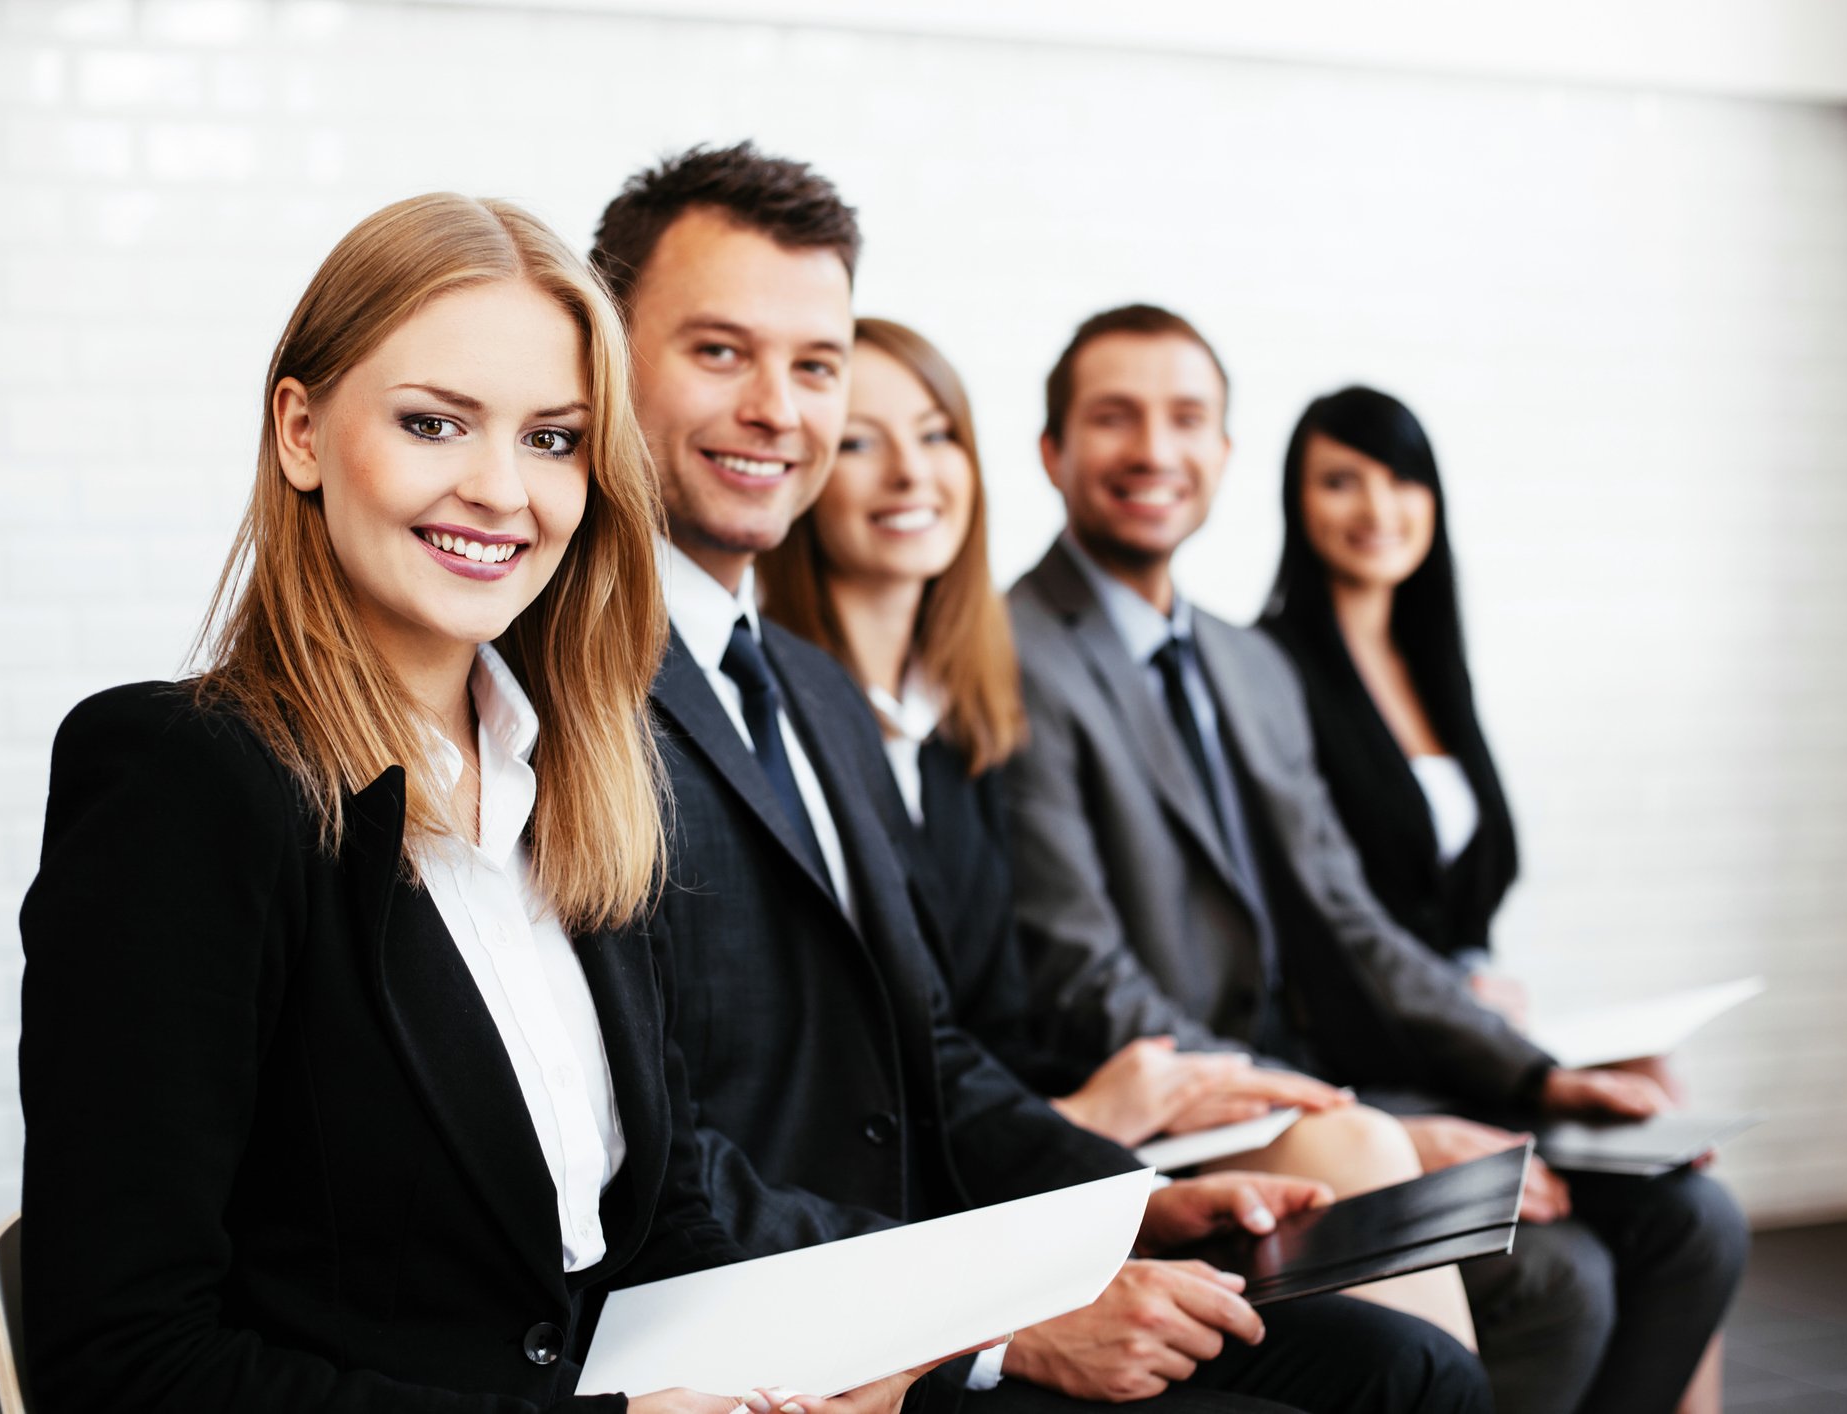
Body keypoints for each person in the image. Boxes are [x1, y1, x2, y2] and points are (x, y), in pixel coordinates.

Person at [593, 143, 1490, 1414]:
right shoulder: (575, 694)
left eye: (816, 365)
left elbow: (937, 1053)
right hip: (791, 1316)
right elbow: (660, 1163)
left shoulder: (814, 692)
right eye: (720, 352)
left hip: (944, 1255)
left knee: (1413, 1369)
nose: (780, 410)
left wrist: (1136, 1196)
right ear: (608, 357)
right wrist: (1000, 1311)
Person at [18, 192, 941, 1414]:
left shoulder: (582, 776)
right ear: (301, 431)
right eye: (434, 423)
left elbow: (657, 1227)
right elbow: (125, 1363)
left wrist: (803, 1371)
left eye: (553, 439)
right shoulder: (186, 778)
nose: (502, 490)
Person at [1002, 305, 1749, 1414]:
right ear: (1054, 452)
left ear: (1223, 455)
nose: (1155, 449)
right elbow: (1086, 977)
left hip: (1319, 1087)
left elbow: (1348, 916)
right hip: (1199, 1122)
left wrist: (1530, 1070)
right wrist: (1374, 1125)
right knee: (1562, 1276)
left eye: (1186, 419)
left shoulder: (1248, 663)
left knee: (1692, 1216)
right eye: (1116, 417)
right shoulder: (1006, 649)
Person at [757, 317, 1476, 1349]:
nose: (910, 472)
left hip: (1047, 1118)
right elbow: (1002, 1008)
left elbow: (984, 1015)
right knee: (1379, 1241)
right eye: (864, 440)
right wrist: (1090, 1119)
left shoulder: (967, 714)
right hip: (960, 1168)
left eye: (936, 434)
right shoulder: (793, 718)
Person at [1256, 384, 1733, 1408]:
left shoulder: (1434, 667)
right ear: (1296, 505)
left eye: (1401, 479)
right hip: (1369, 1059)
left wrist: (1493, 999)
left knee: (1697, 1205)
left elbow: (1454, 901)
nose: (1377, 507)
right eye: (1341, 481)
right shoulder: (1271, 672)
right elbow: (1336, 926)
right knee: (1584, 1270)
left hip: (1465, 1037)